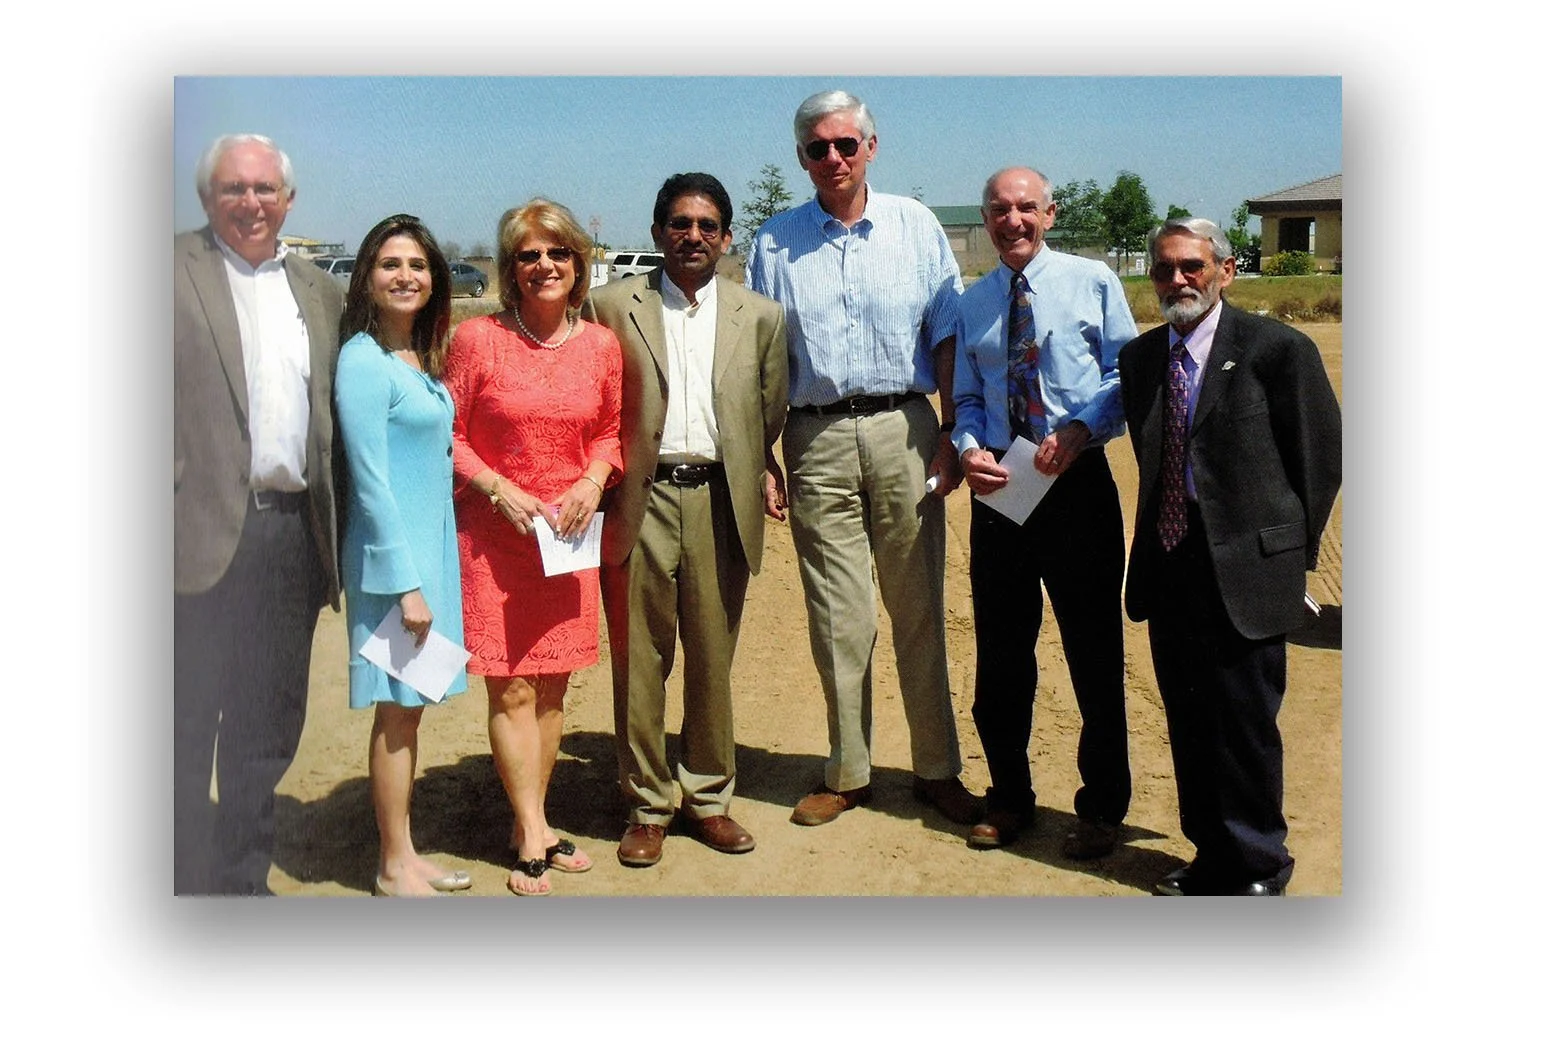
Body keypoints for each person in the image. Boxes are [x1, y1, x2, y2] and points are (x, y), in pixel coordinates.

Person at [746, 89, 979, 828]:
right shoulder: (773, 242)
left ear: (872, 146)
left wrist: (950, 430)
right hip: (814, 438)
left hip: (904, 429)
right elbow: (762, 354)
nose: (835, 159)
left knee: (916, 609)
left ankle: (937, 769)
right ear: (802, 158)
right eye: (819, 148)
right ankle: (847, 770)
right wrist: (762, 453)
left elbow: (944, 333)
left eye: (847, 144)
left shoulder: (914, 225)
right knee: (838, 617)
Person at [1119, 218, 1341, 896]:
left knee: (1243, 725)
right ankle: (1210, 854)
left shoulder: (1277, 349)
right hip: (1173, 559)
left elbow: (1320, 461)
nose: (1177, 280)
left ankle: (1258, 866)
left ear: (1226, 269)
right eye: (1164, 270)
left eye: (1192, 266)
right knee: (1189, 720)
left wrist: (1284, 559)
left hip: (1248, 569)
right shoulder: (1143, 359)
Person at [582, 173, 789, 868]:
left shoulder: (760, 315)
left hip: (719, 501)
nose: (692, 235)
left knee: (711, 657)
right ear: (657, 231)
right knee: (642, 660)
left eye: (707, 225)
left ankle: (706, 797)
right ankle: (646, 804)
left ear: (727, 237)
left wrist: (757, 463)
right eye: (679, 222)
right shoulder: (611, 307)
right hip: (639, 500)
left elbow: (770, 408)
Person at [174, 133, 343, 895]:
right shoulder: (165, 271)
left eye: (264, 189)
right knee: (181, 723)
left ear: (289, 199)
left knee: (265, 725)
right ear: (207, 197)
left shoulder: (318, 290)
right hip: (191, 537)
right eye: (234, 189)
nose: (251, 202)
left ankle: (240, 881)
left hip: (289, 539)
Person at [952, 167, 1137, 857]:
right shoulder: (974, 304)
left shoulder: (1093, 284)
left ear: (1050, 214)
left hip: (1077, 481)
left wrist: (1083, 428)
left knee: (1093, 650)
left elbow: (1126, 374)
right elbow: (967, 397)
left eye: (1026, 207)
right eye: (999, 209)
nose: (1013, 221)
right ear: (987, 216)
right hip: (1003, 484)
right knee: (1001, 653)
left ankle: (1101, 806)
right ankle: (1008, 798)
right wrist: (969, 448)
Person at [445, 199, 623, 896]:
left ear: (578, 263)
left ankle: (538, 820)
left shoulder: (601, 346)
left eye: (558, 253)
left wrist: (593, 478)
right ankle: (527, 831)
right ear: (510, 268)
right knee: (513, 686)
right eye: (528, 255)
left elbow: (611, 430)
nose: (544, 265)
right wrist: (495, 486)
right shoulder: (477, 341)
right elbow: (448, 433)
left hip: (569, 540)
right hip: (497, 540)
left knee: (552, 691)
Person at [334, 214, 471, 897]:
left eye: (418, 265)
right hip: (395, 568)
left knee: (410, 708)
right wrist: (406, 585)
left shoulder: (419, 356)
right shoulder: (363, 359)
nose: (405, 276)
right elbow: (369, 481)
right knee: (395, 709)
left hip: (428, 555)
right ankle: (392, 866)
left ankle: (406, 852)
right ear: (367, 276)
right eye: (391, 264)